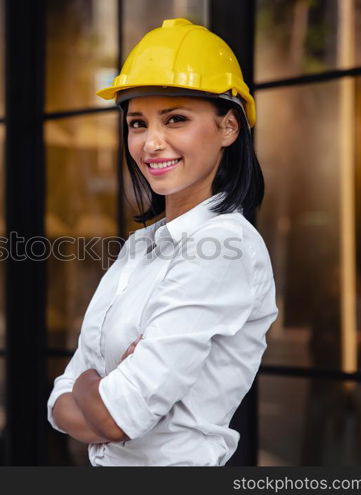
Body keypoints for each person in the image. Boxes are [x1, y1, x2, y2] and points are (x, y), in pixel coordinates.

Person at [46, 18, 279, 466]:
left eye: (175, 119)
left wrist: (89, 383)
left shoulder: (225, 248)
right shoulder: (141, 248)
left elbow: (114, 417)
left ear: (229, 128)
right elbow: (56, 406)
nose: (152, 142)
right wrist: (95, 385)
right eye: (137, 123)